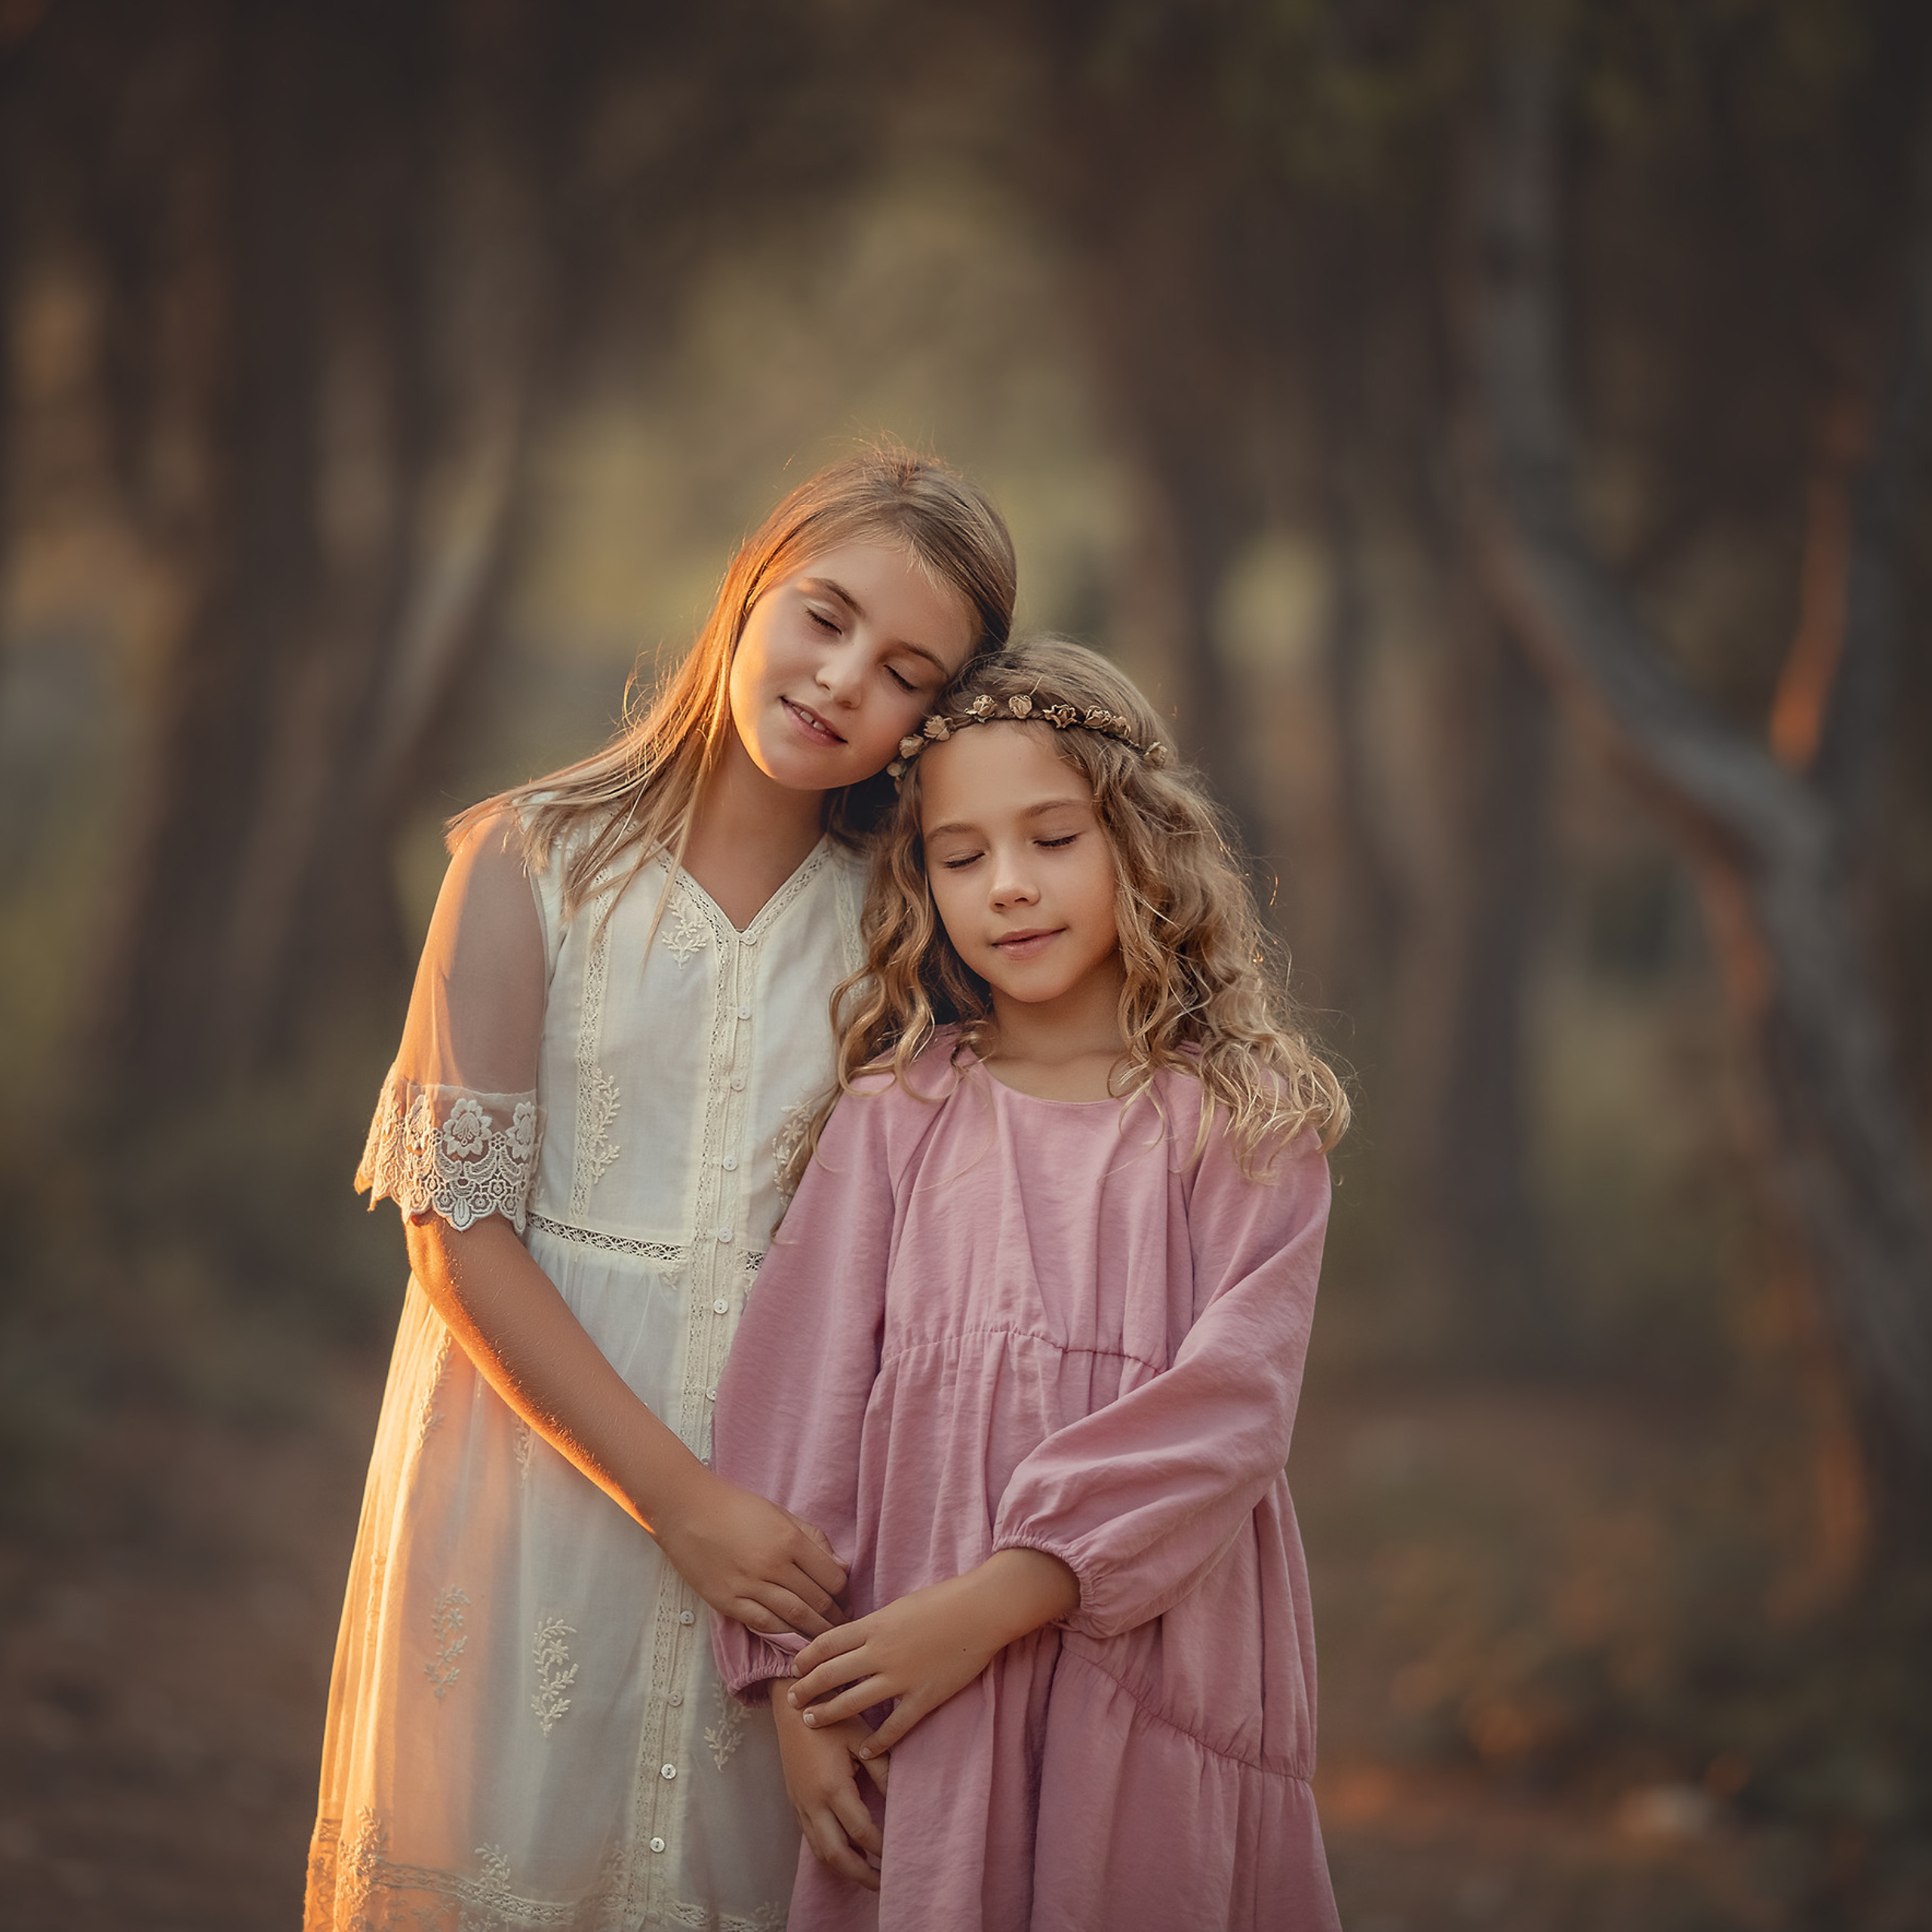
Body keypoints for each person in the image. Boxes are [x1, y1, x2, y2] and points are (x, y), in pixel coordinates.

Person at [305, 445, 1017, 1932]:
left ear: (928, 720)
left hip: (787, 1498)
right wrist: (674, 1498)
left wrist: (759, 1531)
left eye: (899, 670)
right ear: (749, 585)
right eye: (820, 614)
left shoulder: (905, 930)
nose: (835, 679)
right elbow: (459, 1235)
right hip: (534, 1468)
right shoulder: (529, 860)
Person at [710, 638, 1352, 1930]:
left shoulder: (1241, 1122)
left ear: (1141, 842)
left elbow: (1233, 1410)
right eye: (963, 856)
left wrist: (1002, 1601)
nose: (1009, 887)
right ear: (921, 877)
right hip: (919, 1682)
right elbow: (796, 1413)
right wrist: (801, 1690)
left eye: (1054, 839)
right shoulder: (898, 1117)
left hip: (1152, 1664)